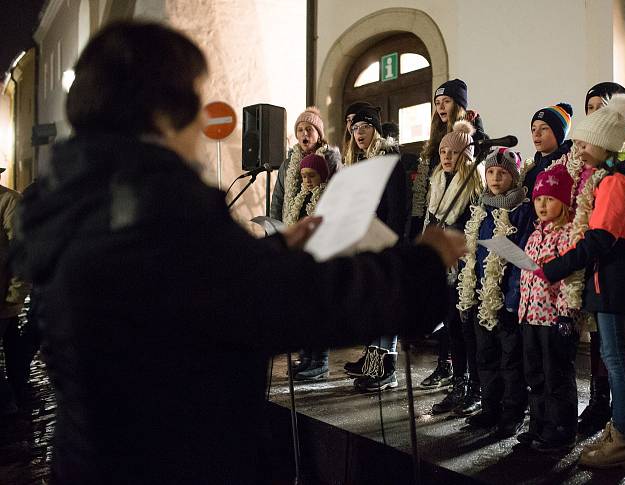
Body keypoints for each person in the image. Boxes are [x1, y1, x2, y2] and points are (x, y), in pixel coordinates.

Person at [9, 21, 466, 485]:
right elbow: (294, 301)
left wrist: (273, 247)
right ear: (165, 111)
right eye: (195, 100)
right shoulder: (153, 207)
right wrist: (421, 265)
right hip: (179, 463)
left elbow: (197, 291)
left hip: (97, 460)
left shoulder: (82, 198)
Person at [533, 94, 625, 469]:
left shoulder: (617, 183)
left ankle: (623, 440)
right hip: (608, 280)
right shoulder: (608, 179)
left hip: (614, 282)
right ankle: (618, 433)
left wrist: (557, 267)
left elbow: (600, 239)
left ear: (603, 143)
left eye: (584, 143)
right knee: (613, 358)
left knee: (617, 362)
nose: (579, 150)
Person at [576, 82, 625, 436]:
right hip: (599, 257)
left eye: (601, 106)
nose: (594, 112)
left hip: (617, 255)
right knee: (606, 343)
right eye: (590, 106)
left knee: (617, 349)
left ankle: (620, 421)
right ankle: (601, 403)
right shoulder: (600, 160)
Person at [412, 79, 488, 390]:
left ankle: (470, 381)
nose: (440, 107)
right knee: (447, 314)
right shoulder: (436, 152)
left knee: (463, 320)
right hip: (439, 240)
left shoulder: (473, 136)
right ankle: (453, 373)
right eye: (437, 102)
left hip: (462, 251)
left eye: (446, 101)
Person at [457, 147, 533, 435]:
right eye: (490, 172)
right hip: (480, 297)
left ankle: (513, 412)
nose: (495, 178)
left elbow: (521, 258)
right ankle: (490, 407)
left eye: (502, 173)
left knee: (511, 359)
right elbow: (472, 256)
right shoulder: (482, 210)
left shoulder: (521, 211)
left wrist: (513, 298)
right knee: (485, 355)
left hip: (506, 300)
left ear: (513, 178)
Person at [339, 105, 408, 392]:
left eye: (364, 127)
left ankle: (387, 370)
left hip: (385, 242)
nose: (358, 133)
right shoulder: (362, 160)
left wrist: (389, 243)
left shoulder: (388, 157)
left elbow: (397, 206)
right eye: (355, 129)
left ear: (376, 129)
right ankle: (372, 365)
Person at [517, 164, 580, 452]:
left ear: (564, 201)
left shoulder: (568, 234)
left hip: (554, 318)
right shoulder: (534, 234)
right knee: (535, 374)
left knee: (557, 375)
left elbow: (572, 277)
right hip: (530, 315)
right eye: (539, 199)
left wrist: (567, 313)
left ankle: (561, 429)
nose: (542, 204)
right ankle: (539, 424)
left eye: (550, 198)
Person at [426, 120, 485, 415]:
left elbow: (474, 227)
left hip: (467, 264)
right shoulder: (437, 183)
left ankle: (476, 387)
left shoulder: (474, 186)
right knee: (451, 326)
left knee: (468, 328)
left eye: (453, 152)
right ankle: (458, 384)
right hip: (444, 265)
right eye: (442, 151)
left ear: (465, 155)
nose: (446, 157)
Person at [285, 154, 331, 381]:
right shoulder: (301, 197)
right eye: (303, 176)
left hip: (319, 259)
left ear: (321, 175)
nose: (307, 180)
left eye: (311, 175)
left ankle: (320, 361)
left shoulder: (327, 197)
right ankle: (306, 358)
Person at [270, 106, 340, 222]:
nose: (304, 133)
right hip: (291, 229)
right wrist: (275, 233)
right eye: (300, 130)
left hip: (321, 226)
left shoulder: (331, 162)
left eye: (309, 129)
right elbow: (277, 200)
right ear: (297, 136)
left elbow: (339, 197)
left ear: (319, 136)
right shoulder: (287, 165)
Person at [0, 171, 28, 417]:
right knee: (12, 347)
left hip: (3, 298)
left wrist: (14, 296)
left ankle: (9, 403)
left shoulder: (10, 202)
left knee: (12, 347)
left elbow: (22, 253)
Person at [521, 103, 574, 197]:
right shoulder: (529, 170)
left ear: (558, 134)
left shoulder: (570, 166)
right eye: (533, 129)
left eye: (544, 128)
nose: (536, 134)